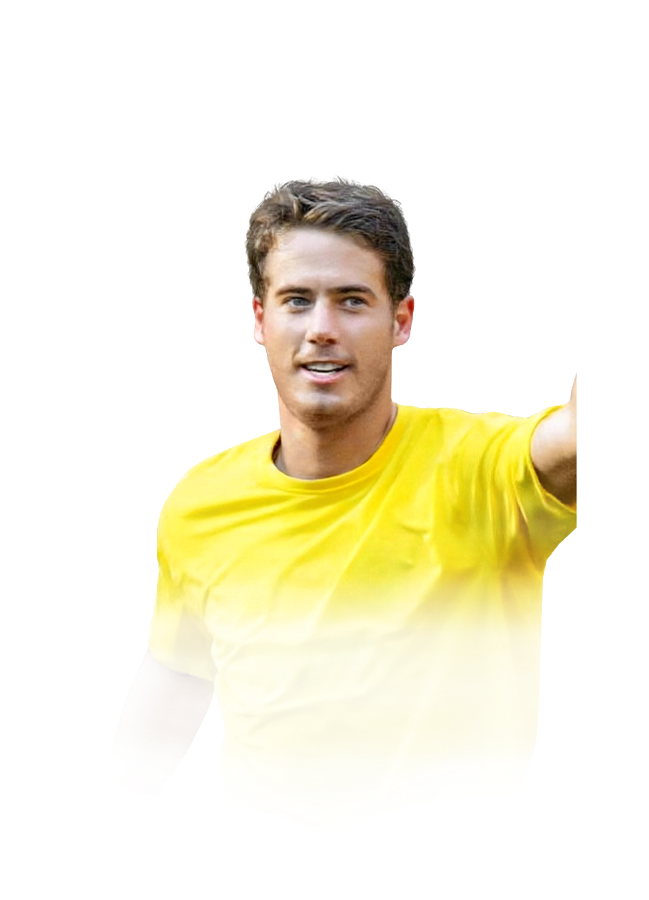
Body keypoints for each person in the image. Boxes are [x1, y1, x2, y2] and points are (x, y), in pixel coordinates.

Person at [106, 177, 578, 827]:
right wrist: (119, 812)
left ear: (400, 322)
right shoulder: (200, 502)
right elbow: (178, 670)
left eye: (351, 301)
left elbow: (592, 436)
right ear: (260, 320)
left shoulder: (484, 468)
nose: (322, 330)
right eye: (297, 301)